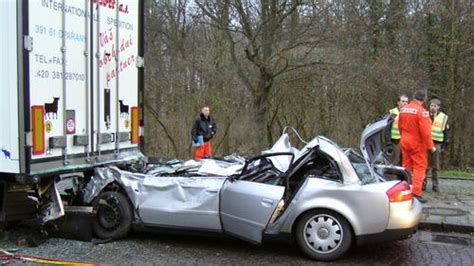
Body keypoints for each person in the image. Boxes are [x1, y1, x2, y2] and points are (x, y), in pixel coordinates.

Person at [398, 90, 436, 203]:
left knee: (406, 167)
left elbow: (400, 126)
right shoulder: (422, 112)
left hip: (404, 141)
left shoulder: (404, 109)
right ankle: (416, 192)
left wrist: (403, 137)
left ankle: (405, 190)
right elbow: (426, 132)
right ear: (424, 99)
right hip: (417, 144)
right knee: (420, 167)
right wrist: (431, 146)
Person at [424, 98, 449, 192]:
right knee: (425, 165)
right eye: (431, 105)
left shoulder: (443, 117)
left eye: (435, 106)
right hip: (426, 143)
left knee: (435, 165)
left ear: (438, 107)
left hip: (437, 143)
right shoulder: (425, 115)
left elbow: (446, 132)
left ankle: (435, 185)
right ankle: (423, 184)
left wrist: (444, 146)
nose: (433, 108)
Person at [388, 94, 409, 165]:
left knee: (405, 161)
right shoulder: (392, 112)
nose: (405, 103)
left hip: (406, 141)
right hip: (395, 141)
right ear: (398, 102)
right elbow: (388, 128)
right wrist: (388, 142)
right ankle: (392, 175)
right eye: (403, 101)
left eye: (406, 101)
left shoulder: (410, 113)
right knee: (395, 160)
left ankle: (402, 176)